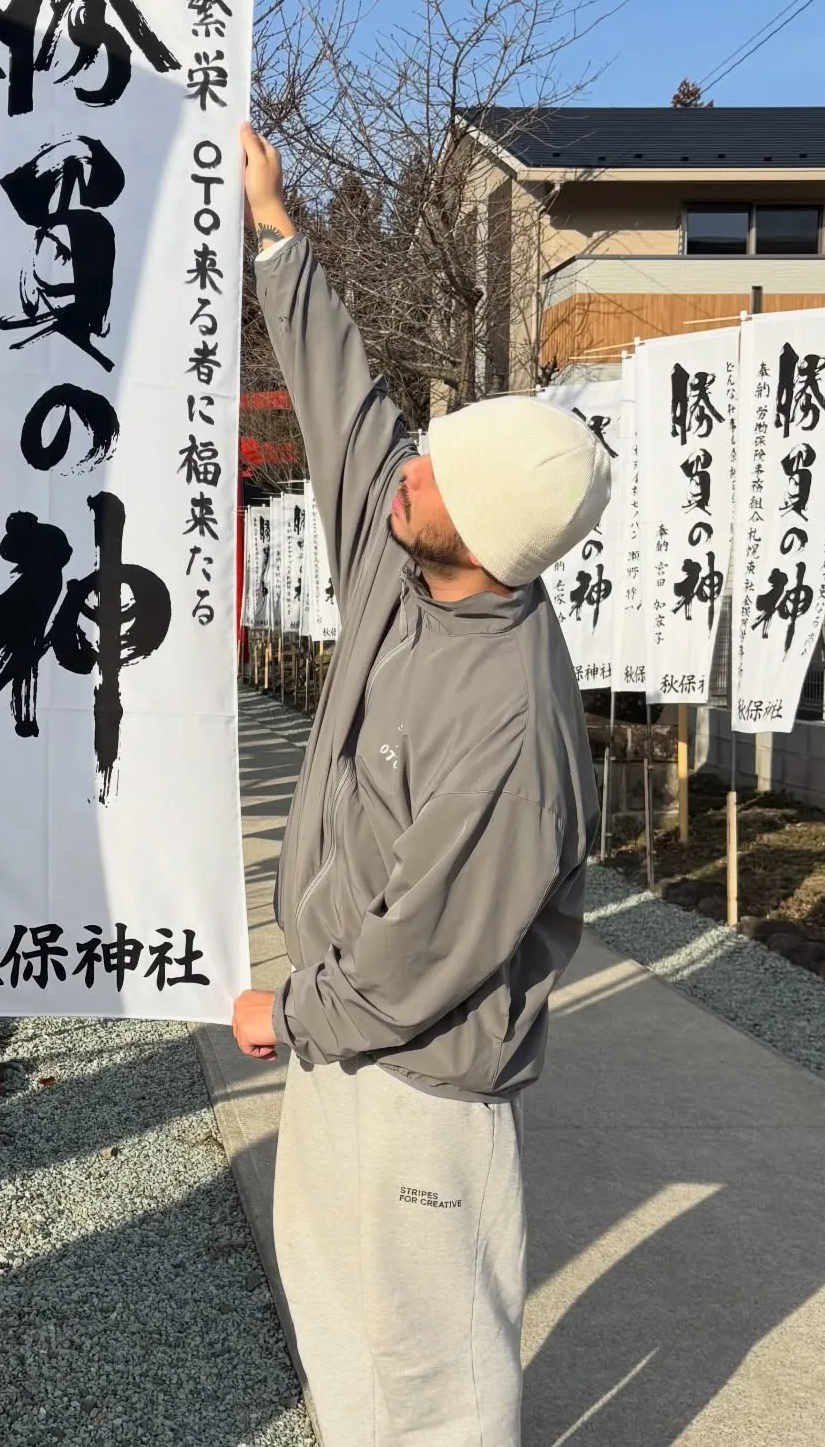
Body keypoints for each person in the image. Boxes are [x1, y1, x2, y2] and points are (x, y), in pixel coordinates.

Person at [231, 125, 611, 1446]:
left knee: (436, 1380)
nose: (408, 462)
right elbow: (348, 413)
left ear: (489, 531)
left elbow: (421, 954)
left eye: (438, 469)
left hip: (425, 1090)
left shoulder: (514, 726)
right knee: (343, 1331)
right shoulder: (407, 568)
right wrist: (274, 227)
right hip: (348, 1053)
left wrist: (292, 1010)